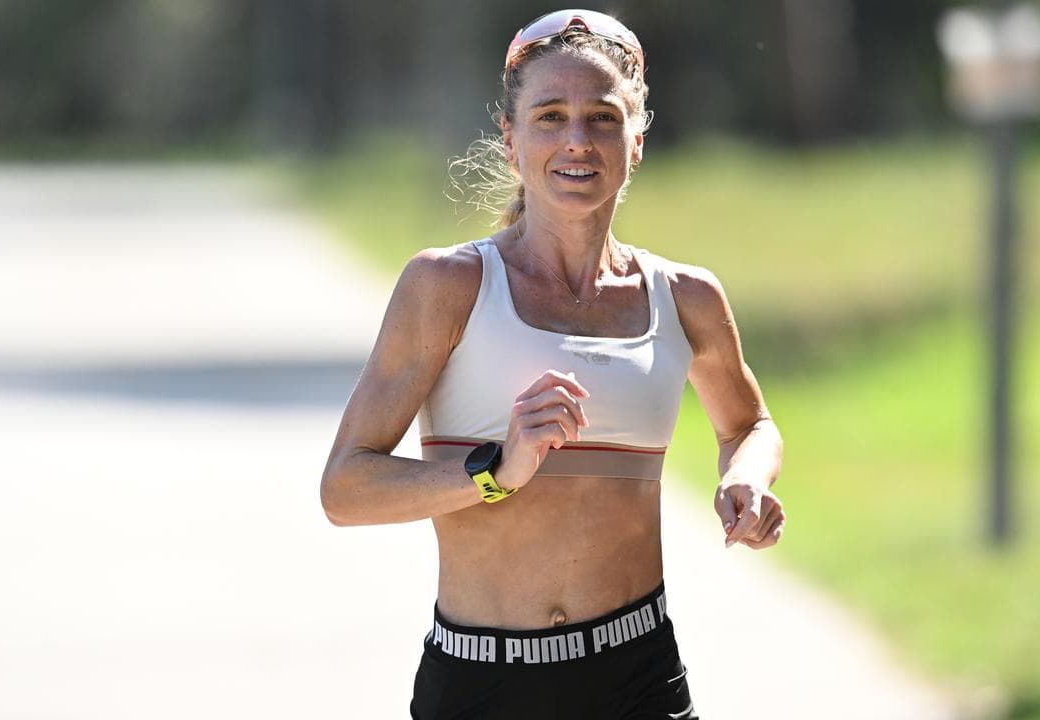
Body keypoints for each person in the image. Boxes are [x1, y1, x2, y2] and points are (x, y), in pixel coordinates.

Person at [321, 9, 785, 719]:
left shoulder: (685, 298)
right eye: (550, 117)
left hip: (639, 675)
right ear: (511, 141)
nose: (577, 140)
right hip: (481, 678)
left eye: (602, 117)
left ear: (637, 138)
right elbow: (346, 489)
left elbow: (749, 425)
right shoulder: (448, 286)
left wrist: (745, 480)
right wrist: (494, 471)